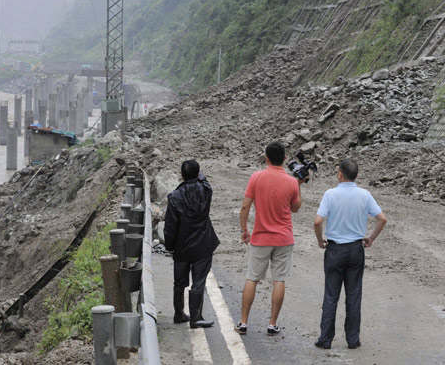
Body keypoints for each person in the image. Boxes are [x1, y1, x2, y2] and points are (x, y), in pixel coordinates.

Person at [313, 158, 387, 349]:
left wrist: (320, 240)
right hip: (356, 249)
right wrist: (370, 238)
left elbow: (317, 221)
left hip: (335, 249)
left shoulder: (330, 194)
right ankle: (353, 339)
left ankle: (325, 339)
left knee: (331, 295)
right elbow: (382, 218)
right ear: (356, 176)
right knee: (353, 295)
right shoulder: (365, 194)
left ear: (339, 174)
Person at [235, 141, 305, 336]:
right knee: (279, 280)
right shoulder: (291, 181)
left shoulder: (256, 177)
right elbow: (295, 208)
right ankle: (272, 324)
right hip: (283, 238)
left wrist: (244, 230)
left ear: (266, 158)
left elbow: (245, 207)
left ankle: (243, 322)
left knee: (252, 278)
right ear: (284, 159)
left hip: (260, 237)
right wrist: (299, 186)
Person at [164, 159, 220, 328]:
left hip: (182, 246)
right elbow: (203, 178)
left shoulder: (175, 197)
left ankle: (179, 313)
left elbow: (170, 226)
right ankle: (196, 317)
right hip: (202, 244)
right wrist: (197, 174)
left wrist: (169, 246)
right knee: (198, 281)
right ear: (197, 173)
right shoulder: (206, 190)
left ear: (181, 175)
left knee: (179, 282)